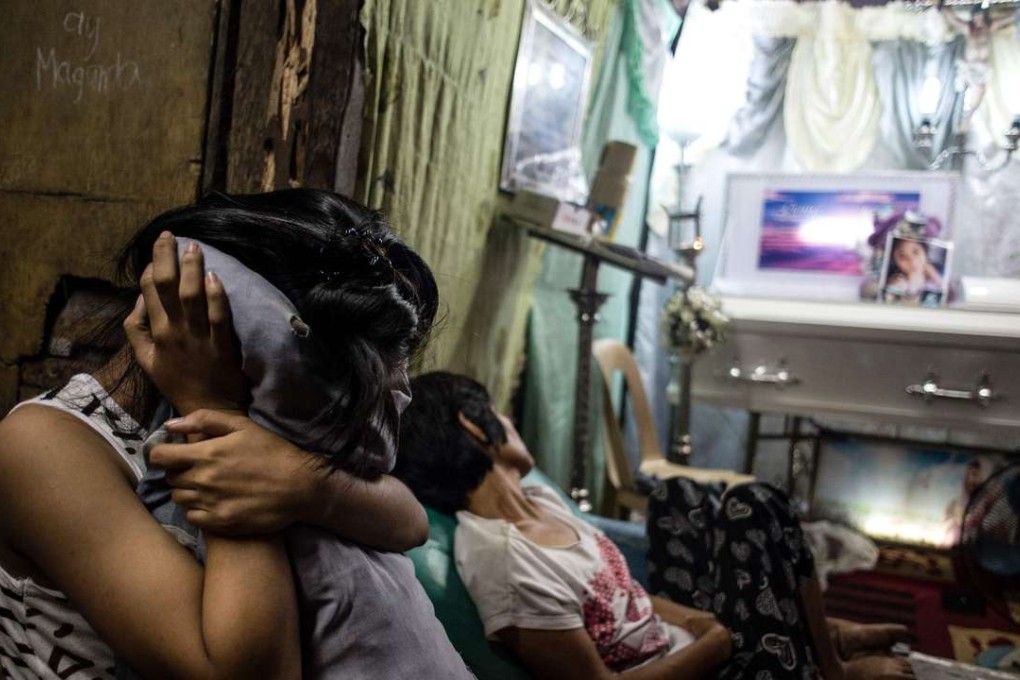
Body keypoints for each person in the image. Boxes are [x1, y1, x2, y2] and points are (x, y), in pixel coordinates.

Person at [0, 190, 470, 679]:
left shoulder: (280, 425)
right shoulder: (44, 447)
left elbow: (408, 522)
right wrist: (212, 410)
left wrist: (308, 487)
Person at [394, 371, 916, 680]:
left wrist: (699, 622)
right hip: (706, 671)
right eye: (498, 414)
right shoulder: (503, 563)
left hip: (691, 641)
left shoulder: (541, 499)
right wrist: (713, 644)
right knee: (753, 509)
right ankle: (828, 665)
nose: (510, 421)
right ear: (471, 424)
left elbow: (624, 593)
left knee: (680, 496)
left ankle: (820, 636)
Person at [884, 237, 944, 303]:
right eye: (902, 255)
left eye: (916, 252)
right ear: (895, 261)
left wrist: (933, 273)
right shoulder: (898, 283)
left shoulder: (937, 276)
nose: (911, 260)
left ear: (924, 252)